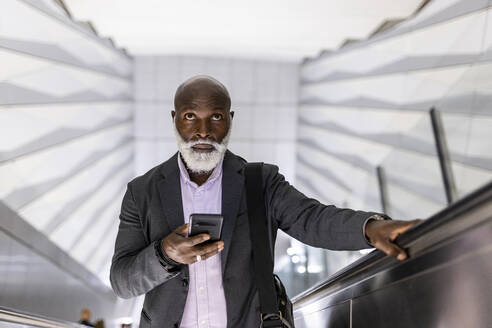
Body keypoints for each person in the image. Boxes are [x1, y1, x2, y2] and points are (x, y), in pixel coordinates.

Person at [110, 75, 420, 328]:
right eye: (191, 117)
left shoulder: (259, 182)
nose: (203, 131)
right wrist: (165, 254)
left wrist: (370, 228)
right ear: (175, 118)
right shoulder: (142, 192)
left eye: (216, 117)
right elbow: (122, 281)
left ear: (230, 120)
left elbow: (312, 219)